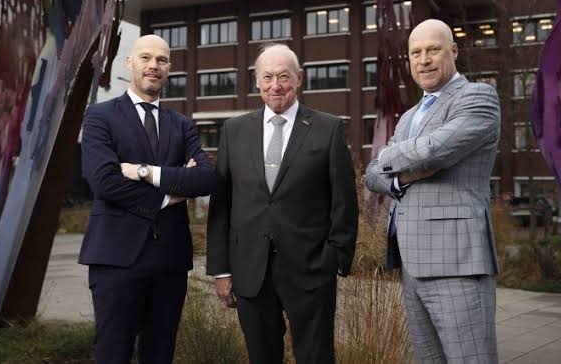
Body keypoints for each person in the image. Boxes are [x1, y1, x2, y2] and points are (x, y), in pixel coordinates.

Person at [206, 43, 359, 364]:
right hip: (250, 271)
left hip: (311, 270)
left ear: (299, 78)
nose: (275, 85)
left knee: (316, 357)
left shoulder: (328, 128)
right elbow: (222, 205)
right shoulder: (234, 131)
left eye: (284, 76)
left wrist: (334, 259)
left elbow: (344, 203)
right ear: (257, 81)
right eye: (267, 77)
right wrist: (221, 269)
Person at [365, 19, 500, 363]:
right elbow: (372, 175)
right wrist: (402, 177)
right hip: (411, 264)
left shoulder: (477, 97)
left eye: (433, 50)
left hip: (457, 262)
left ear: (453, 51)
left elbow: (434, 151)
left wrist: (388, 156)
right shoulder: (410, 115)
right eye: (416, 53)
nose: (423, 60)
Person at [79, 34, 215, 364]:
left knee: (160, 355)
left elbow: (206, 178)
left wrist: (145, 172)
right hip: (115, 259)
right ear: (130, 62)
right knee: (113, 355)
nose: (154, 65)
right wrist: (169, 196)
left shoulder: (182, 125)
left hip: (169, 261)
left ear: (169, 68)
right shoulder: (99, 116)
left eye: (162, 60)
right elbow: (105, 182)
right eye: (146, 58)